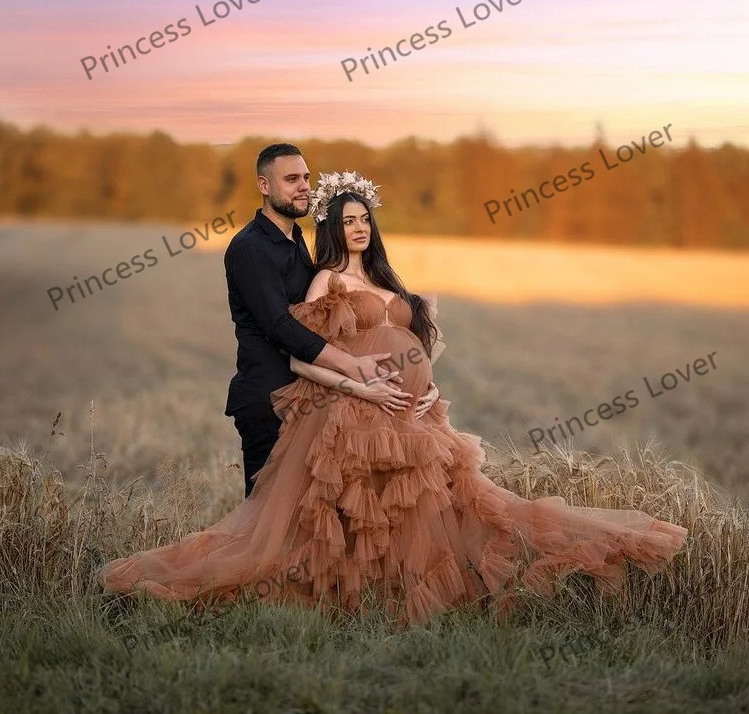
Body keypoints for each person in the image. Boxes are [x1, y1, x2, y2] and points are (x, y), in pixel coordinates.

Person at [97, 171, 687, 627]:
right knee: (348, 521)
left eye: (365, 220)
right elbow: (302, 356)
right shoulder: (326, 281)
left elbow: (415, 345)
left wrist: (428, 390)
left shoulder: (390, 282)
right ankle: (341, 607)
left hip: (412, 414)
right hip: (352, 413)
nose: (359, 228)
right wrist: (359, 384)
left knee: (444, 511)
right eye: (348, 219)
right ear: (331, 226)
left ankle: (420, 595)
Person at [222, 144, 439, 496]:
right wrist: (354, 369)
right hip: (269, 396)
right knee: (268, 520)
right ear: (264, 186)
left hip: (309, 397)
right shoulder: (251, 247)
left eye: (306, 177)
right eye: (291, 179)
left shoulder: (294, 241)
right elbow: (280, 327)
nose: (303, 186)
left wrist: (423, 381)